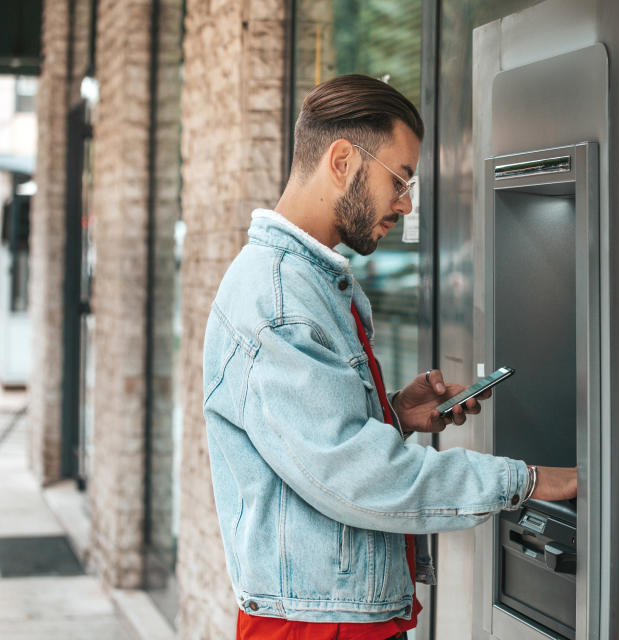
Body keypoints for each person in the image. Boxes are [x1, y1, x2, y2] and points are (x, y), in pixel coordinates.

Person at [202, 74, 578, 640]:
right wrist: (528, 481)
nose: (405, 203)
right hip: (316, 627)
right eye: (399, 179)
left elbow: (317, 447)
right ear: (343, 160)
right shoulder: (277, 299)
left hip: (340, 615)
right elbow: (356, 478)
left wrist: (394, 415)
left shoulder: (311, 282)